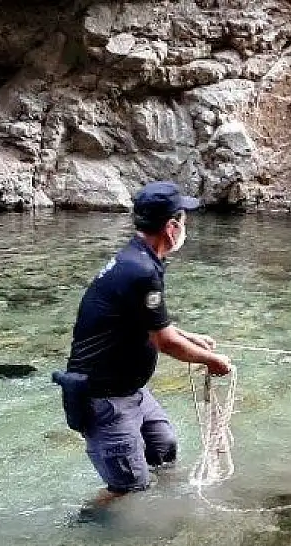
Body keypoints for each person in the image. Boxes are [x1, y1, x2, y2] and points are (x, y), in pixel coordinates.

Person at [54, 181, 232, 510]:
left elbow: (146, 323)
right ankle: (84, 532)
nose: (185, 227)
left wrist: (189, 337)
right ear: (171, 226)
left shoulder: (139, 260)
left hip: (130, 390)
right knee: (129, 489)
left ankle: (161, 509)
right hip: (104, 398)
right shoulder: (140, 270)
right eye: (183, 219)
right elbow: (164, 342)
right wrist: (211, 361)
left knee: (163, 449)